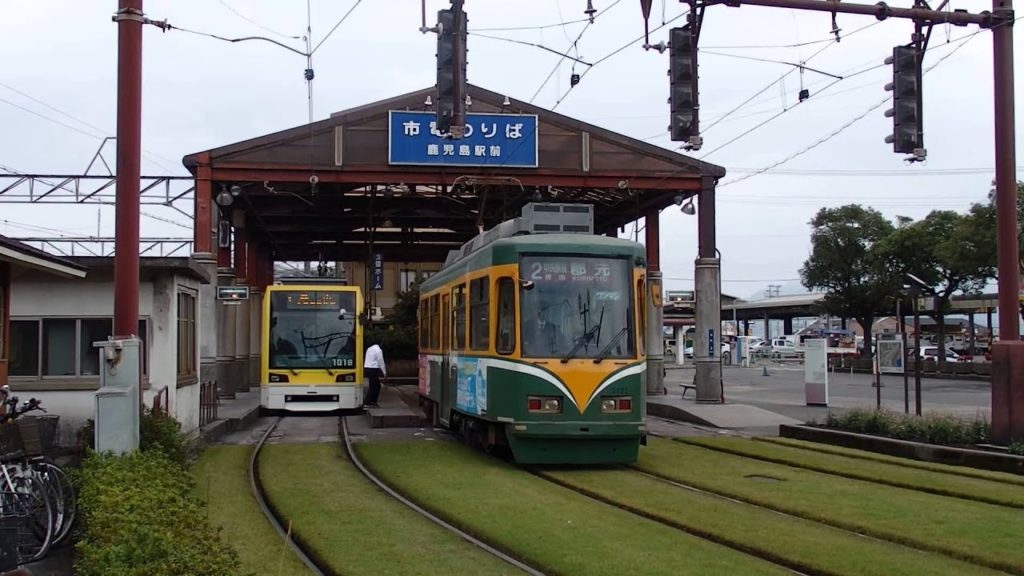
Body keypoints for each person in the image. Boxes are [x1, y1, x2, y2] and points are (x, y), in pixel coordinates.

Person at [363, 340, 386, 408]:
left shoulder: (369, 349)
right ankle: (369, 401)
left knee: (374, 385)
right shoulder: (378, 350)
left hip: (367, 367)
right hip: (373, 369)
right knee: (375, 386)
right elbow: (381, 361)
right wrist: (384, 373)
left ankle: (372, 401)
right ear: (380, 344)